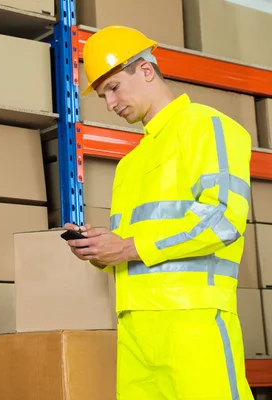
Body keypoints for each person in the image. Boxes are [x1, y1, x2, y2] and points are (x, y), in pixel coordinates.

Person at [64, 26, 254, 400]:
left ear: (146, 70)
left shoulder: (207, 127)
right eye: (103, 95)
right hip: (135, 333)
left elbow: (222, 218)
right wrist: (99, 251)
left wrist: (126, 247)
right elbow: (129, 250)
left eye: (114, 87)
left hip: (192, 325)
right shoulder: (130, 164)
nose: (110, 103)